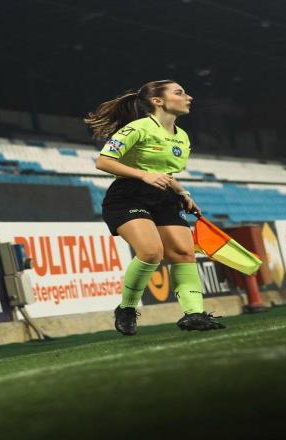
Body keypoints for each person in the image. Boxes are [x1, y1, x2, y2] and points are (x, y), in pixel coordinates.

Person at [84, 79, 225, 335]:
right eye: (180, 92)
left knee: (184, 252)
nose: (188, 97)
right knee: (151, 252)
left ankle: (194, 314)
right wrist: (143, 175)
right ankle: (126, 308)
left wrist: (182, 192)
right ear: (158, 101)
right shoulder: (137, 128)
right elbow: (103, 161)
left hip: (163, 196)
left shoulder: (182, 136)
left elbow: (165, 173)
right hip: (128, 195)